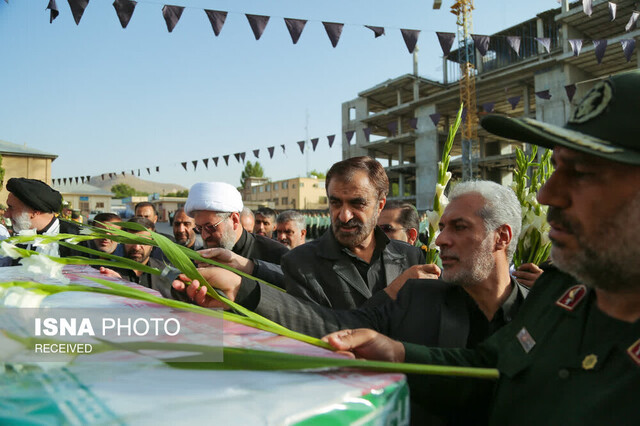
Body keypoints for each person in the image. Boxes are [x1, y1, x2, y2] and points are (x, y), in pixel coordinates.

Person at [322, 70, 640, 425]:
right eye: (556, 169)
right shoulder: (561, 292)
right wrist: (397, 354)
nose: (548, 194)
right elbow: (492, 370)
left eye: (581, 172)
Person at [279, 156, 427, 309]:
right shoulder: (300, 264)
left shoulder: (411, 256)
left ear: (380, 205)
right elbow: (323, 326)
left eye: (357, 203)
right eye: (335, 203)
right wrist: (391, 293)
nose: (344, 216)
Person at [184, 181, 289, 266]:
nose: (204, 236)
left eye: (210, 227)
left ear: (234, 220)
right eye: (199, 228)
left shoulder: (277, 256)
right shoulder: (198, 261)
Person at [3, 178, 80, 260]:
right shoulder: (20, 239)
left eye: (11, 208)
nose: (6, 214)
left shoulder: (76, 240)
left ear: (34, 212)